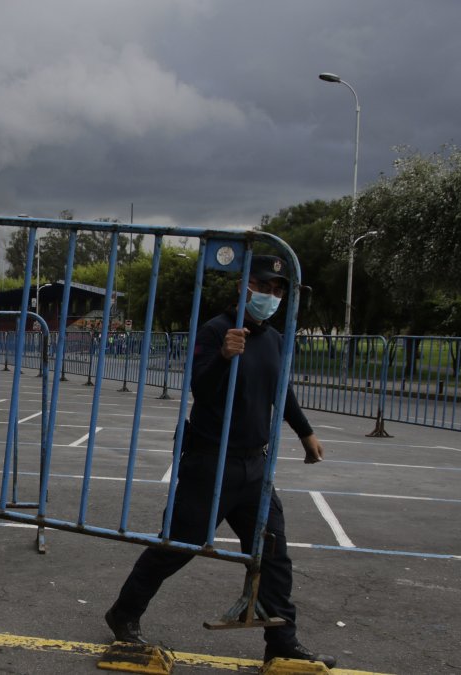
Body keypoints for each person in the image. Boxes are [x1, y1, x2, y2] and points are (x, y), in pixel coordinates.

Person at [104, 255, 336, 669]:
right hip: (210, 464)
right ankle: (124, 613)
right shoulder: (215, 331)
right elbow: (200, 386)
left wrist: (305, 432)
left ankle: (281, 641)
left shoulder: (274, 340)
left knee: (272, 556)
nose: (271, 295)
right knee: (175, 547)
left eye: (278, 289)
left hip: (254, 469)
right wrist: (226, 357)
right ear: (243, 287)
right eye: (264, 287)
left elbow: (279, 392)